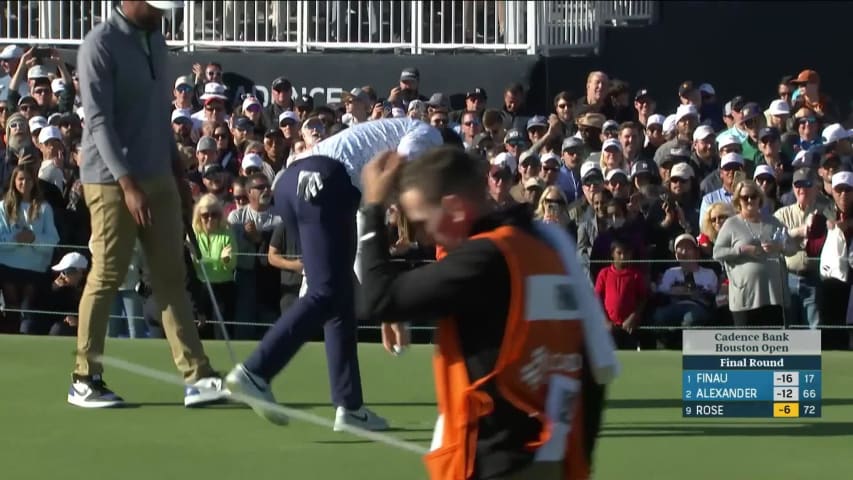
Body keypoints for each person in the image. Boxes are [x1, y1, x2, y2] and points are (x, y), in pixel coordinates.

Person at [357, 147, 619, 480]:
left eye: (422, 221)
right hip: (548, 456)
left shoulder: (485, 258)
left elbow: (378, 298)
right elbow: (594, 364)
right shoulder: (542, 245)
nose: (420, 236)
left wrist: (372, 206)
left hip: (496, 461)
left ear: (453, 209)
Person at [227, 117, 442, 430]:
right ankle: (255, 371)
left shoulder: (383, 150)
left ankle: (350, 407)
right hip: (325, 181)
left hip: (292, 185)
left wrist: (386, 308)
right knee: (325, 292)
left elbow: (365, 235)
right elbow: (398, 168)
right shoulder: (429, 134)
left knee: (338, 297)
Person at [70, 0, 227, 408]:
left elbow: (158, 114)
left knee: (171, 275)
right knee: (108, 273)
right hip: (109, 179)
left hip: (158, 174)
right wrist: (127, 183)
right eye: (156, 7)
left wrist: (175, 167)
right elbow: (98, 121)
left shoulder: (155, 38)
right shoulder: (98, 44)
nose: (162, 14)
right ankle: (85, 377)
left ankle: (198, 376)